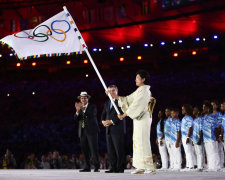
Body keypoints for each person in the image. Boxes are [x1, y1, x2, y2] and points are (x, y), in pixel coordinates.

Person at [107, 70, 155, 174]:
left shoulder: (145, 91)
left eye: (137, 78)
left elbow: (136, 105)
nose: (135, 79)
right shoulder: (140, 90)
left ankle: (149, 167)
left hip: (143, 118)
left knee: (143, 140)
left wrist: (124, 114)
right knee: (137, 141)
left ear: (143, 79)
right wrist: (114, 96)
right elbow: (128, 99)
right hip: (138, 119)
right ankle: (141, 166)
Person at [101, 85, 126, 173]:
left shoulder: (121, 101)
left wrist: (111, 121)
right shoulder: (107, 102)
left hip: (117, 129)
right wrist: (103, 121)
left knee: (119, 149)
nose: (111, 92)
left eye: (113, 90)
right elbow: (103, 113)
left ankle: (120, 167)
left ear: (117, 91)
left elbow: (122, 113)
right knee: (111, 150)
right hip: (109, 129)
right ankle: (113, 167)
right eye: (109, 91)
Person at [74, 91, 100, 172]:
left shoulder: (93, 106)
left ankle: (96, 167)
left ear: (87, 98)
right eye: (82, 98)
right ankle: (87, 167)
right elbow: (76, 119)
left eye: (85, 98)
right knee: (85, 150)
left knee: (93, 149)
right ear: (80, 99)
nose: (83, 99)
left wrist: (83, 109)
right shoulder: (80, 108)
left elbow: (92, 115)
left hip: (92, 131)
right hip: (82, 131)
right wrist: (77, 111)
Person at [202, 101, 220, 171]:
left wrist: (217, 137)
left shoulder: (213, 117)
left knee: (214, 153)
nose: (203, 109)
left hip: (212, 138)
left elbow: (216, 128)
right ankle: (211, 166)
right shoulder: (205, 117)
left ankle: (216, 167)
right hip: (206, 138)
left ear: (208, 109)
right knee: (209, 153)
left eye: (204, 108)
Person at [181, 104, 195, 171]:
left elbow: (190, 127)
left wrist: (188, 137)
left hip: (187, 137)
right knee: (186, 151)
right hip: (184, 137)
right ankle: (188, 165)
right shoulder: (184, 118)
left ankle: (191, 166)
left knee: (189, 151)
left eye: (183, 109)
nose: (182, 110)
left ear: (187, 110)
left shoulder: (189, 118)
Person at [211, 100, 224, 168]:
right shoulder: (210, 114)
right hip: (212, 135)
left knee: (220, 149)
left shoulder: (219, 114)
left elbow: (220, 125)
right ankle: (215, 164)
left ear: (217, 106)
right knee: (214, 150)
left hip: (218, 134)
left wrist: (219, 135)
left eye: (213, 105)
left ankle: (221, 164)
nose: (212, 106)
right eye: (211, 105)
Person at [192, 106, 204, 171]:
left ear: (198, 111)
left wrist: (200, 139)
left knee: (200, 153)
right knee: (197, 153)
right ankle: (198, 166)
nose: (193, 111)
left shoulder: (200, 119)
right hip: (194, 139)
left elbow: (201, 130)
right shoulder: (194, 120)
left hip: (199, 139)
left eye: (195, 110)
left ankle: (201, 166)